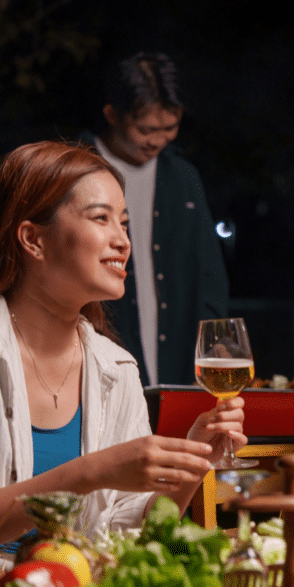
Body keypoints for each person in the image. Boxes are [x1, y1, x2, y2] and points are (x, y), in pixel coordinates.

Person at [0, 141, 246, 552]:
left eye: (124, 224)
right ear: (32, 239)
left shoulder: (116, 367)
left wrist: (193, 465)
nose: (123, 242)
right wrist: (90, 472)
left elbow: (125, 536)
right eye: (101, 218)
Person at [81, 51, 229, 386]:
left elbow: (210, 276)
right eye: (147, 129)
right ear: (112, 114)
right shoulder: (74, 168)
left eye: (170, 127)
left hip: (176, 357)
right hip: (97, 349)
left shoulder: (182, 177)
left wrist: (214, 349)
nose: (158, 141)